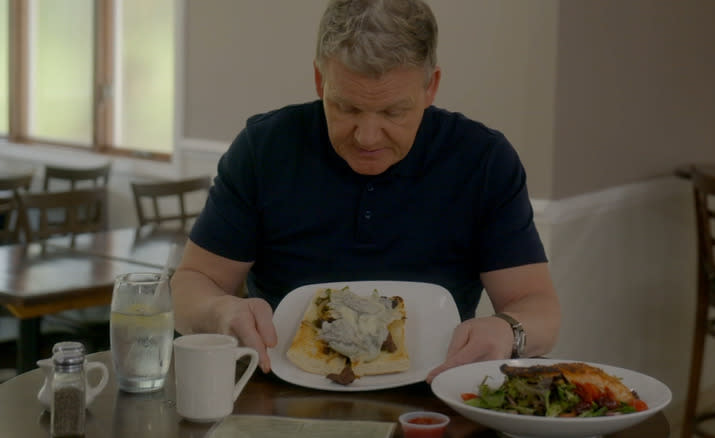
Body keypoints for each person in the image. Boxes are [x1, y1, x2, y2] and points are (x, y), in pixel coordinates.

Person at [171, 0, 560, 383]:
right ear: (321, 81)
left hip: (436, 402)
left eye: (393, 112)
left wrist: (509, 330)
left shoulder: (484, 160)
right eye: (346, 108)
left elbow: (538, 308)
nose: (367, 137)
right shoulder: (263, 149)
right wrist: (219, 311)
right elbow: (191, 285)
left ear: (431, 87)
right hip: (278, 399)